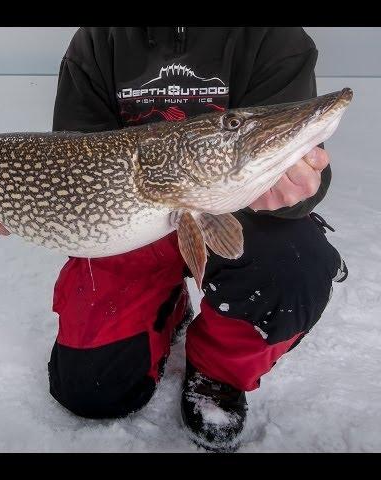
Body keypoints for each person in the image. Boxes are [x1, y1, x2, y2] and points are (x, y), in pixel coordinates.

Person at [46, 27, 347, 452]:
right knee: (93, 391)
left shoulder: (274, 37)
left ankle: (217, 374)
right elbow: (73, 161)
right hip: (134, 223)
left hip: (240, 214)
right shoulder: (100, 38)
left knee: (292, 268)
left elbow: (283, 142)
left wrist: (299, 189)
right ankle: (167, 311)